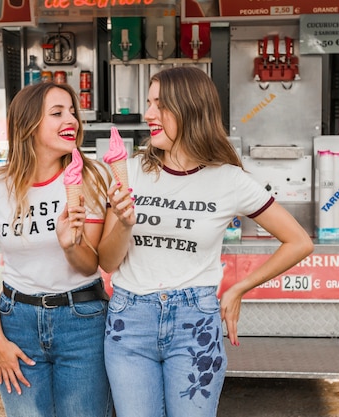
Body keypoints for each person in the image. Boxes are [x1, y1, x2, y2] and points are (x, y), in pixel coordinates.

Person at [99, 66, 314, 417]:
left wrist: (239, 288)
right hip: (130, 322)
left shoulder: (229, 180)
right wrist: (124, 223)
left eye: (160, 105)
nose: (149, 114)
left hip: (194, 322)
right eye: (149, 103)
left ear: (190, 109)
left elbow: (298, 241)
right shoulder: (131, 170)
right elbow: (107, 262)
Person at [0, 81, 113, 417]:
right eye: (58, 113)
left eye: (73, 112)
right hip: (16, 324)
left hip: (82, 320)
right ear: (29, 124)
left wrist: (70, 244)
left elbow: (90, 265)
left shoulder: (91, 179)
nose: (73, 121)